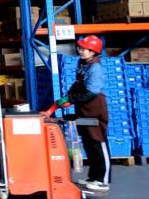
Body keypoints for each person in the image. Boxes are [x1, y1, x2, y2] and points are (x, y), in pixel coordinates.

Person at [56, 35, 110, 193]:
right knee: (88, 143)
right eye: (80, 48)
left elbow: (91, 92)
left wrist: (71, 99)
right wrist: (68, 95)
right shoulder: (83, 64)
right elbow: (79, 84)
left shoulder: (95, 68)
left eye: (84, 49)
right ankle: (93, 177)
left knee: (98, 144)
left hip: (94, 109)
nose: (81, 50)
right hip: (84, 110)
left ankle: (103, 180)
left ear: (93, 51)